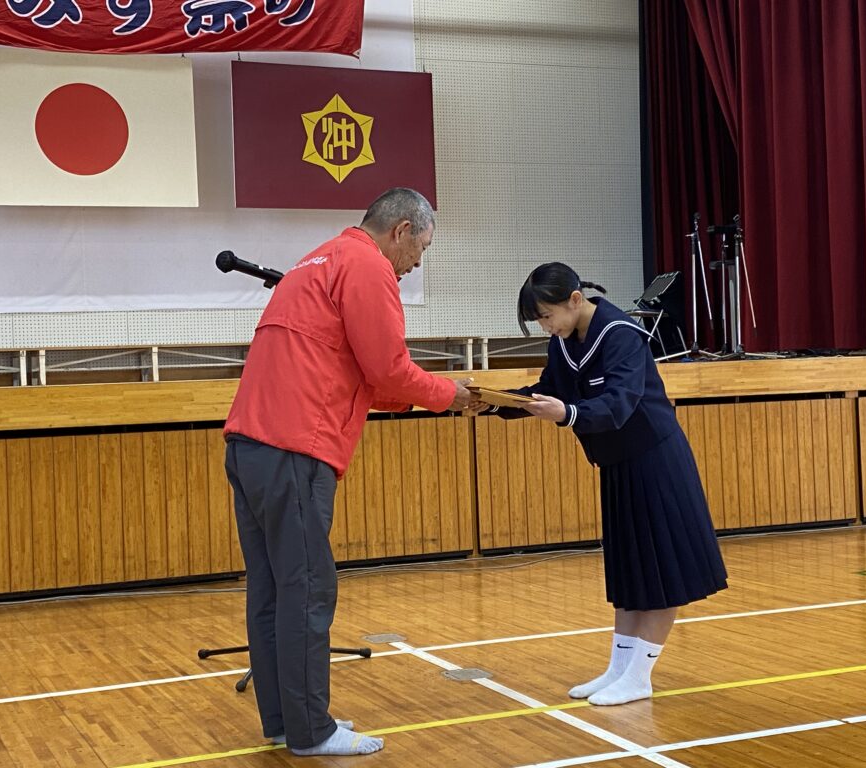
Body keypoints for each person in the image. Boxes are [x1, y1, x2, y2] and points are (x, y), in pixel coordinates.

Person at [223, 188, 473, 755]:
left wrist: (426, 397)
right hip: (294, 448)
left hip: (250, 446)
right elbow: (389, 367)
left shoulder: (318, 260)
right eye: (420, 250)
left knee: (273, 591)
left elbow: (358, 375)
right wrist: (449, 395)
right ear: (401, 230)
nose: (415, 266)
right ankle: (312, 731)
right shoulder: (366, 265)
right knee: (308, 589)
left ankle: (286, 722)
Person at [486, 262, 728, 706]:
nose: (546, 326)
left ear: (575, 300)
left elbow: (619, 404)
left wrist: (568, 413)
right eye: (539, 320)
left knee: (662, 572)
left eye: (547, 316)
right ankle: (618, 669)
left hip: (656, 462)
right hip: (617, 464)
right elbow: (547, 390)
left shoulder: (622, 335)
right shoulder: (564, 342)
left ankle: (639, 676)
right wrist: (492, 403)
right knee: (631, 572)